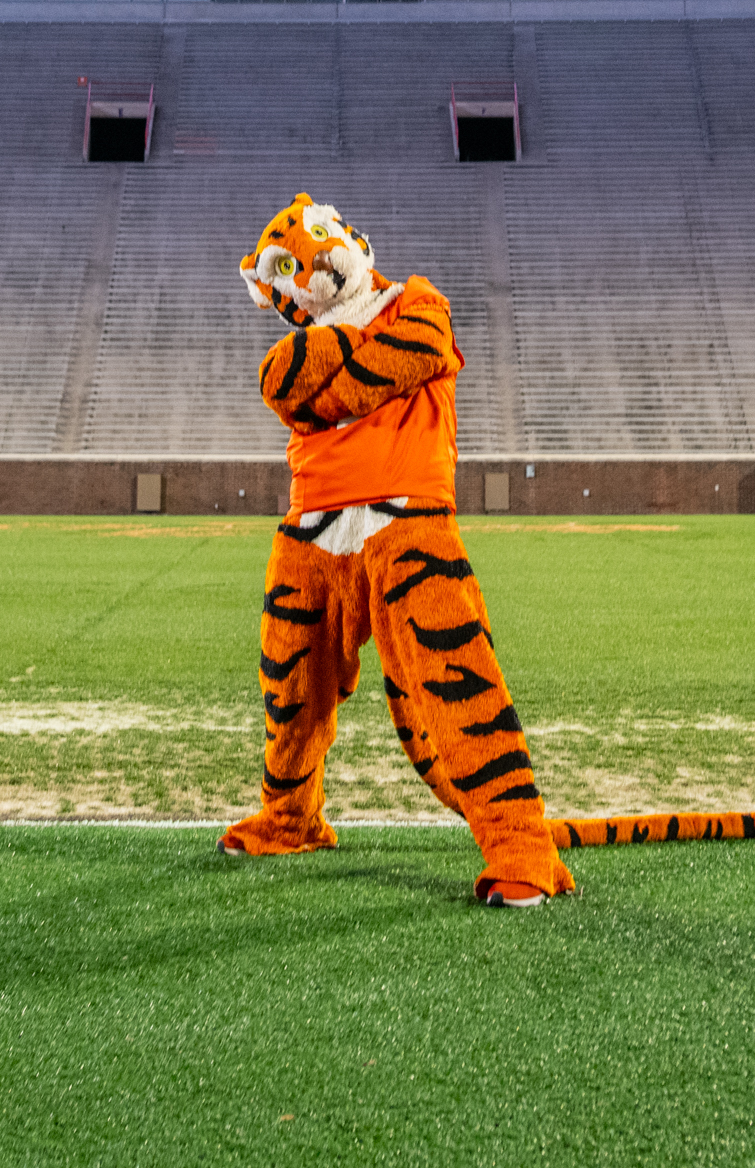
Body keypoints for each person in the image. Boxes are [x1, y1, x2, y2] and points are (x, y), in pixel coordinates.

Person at [219, 194, 574, 908]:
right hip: (310, 531)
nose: (315, 261)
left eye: (318, 238)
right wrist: (328, 376)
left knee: (456, 685)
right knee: (292, 694)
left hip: (408, 523)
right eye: (290, 266)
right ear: (282, 296)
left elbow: (394, 366)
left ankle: (520, 844)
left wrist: (327, 382)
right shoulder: (296, 350)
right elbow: (279, 384)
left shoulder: (419, 303)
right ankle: (290, 817)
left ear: (349, 233)